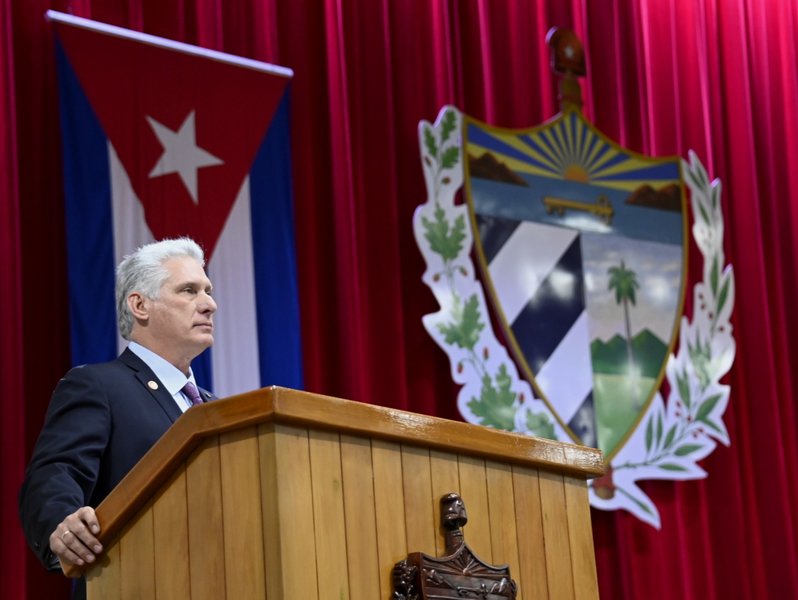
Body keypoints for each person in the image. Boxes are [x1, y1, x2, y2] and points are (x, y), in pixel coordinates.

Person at [19, 237, 217, 596]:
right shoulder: (98, 386)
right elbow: (55, 472)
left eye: (207, 290)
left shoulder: (217, 410)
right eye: (189, 290)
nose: (209, 304)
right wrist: (61, 524)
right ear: (140, 305)